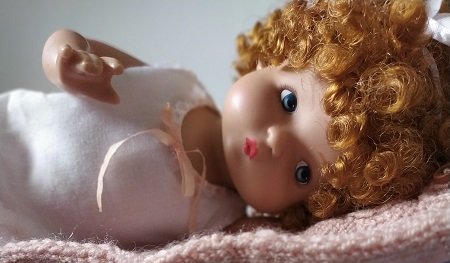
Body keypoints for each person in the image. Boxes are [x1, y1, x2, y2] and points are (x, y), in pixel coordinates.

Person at [0, 0, 448, 248]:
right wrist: (66, 59)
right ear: (273, 56)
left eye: (302, 172)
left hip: (20, 229)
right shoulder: (177, 86)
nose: (275, 142)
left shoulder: (220, 222)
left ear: (311, 205)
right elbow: (72, 42)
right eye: (288, 101)